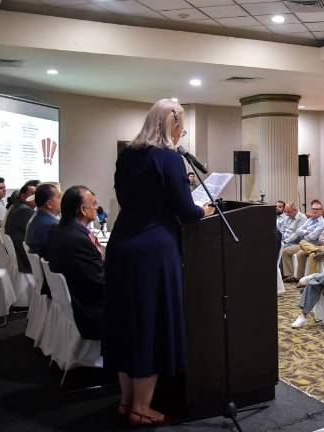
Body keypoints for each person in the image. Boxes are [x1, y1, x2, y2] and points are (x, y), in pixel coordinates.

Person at [103, 99, 208, 425]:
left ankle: (125, 402)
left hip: (123, 245)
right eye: (182, 127)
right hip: (154, 250)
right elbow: (186, 213)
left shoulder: (128, 156)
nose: (182, 133)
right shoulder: (169, 157)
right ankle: (141, 408)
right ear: (173, 124)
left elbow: (131, 197)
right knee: (149, 324)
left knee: (127, 324)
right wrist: (201, 209)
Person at [47, 185, 105, 341]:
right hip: (89, 310)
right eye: (93, 203)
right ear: (82, 210)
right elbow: (99, 284)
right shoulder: (78, 240)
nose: (96, 207)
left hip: (76, 300)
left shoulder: (61, 230)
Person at [281, 202, 324, 282]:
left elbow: (311, 237)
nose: (314, 211)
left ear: (321, 211)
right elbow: (298, 231)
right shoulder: (310, 220)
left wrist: (304, 232)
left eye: (316, 209)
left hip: (312, 245)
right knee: (285, 251)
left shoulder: (323, 223)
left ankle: (299, 277)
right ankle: (289, 275)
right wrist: (307, 231)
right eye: (313, 209)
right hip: (302, 243)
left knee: (299, 253)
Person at [5, 180, 40, 273]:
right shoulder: (24, 211)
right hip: (25, 260)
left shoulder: (18, 207)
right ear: (23, 196)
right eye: (32, 194)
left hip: (19, 256)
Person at [25, 183, 61, 257]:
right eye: (59, 197)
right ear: (49, 204)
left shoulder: (36, 218)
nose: (61, 201)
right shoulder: (51, 225)